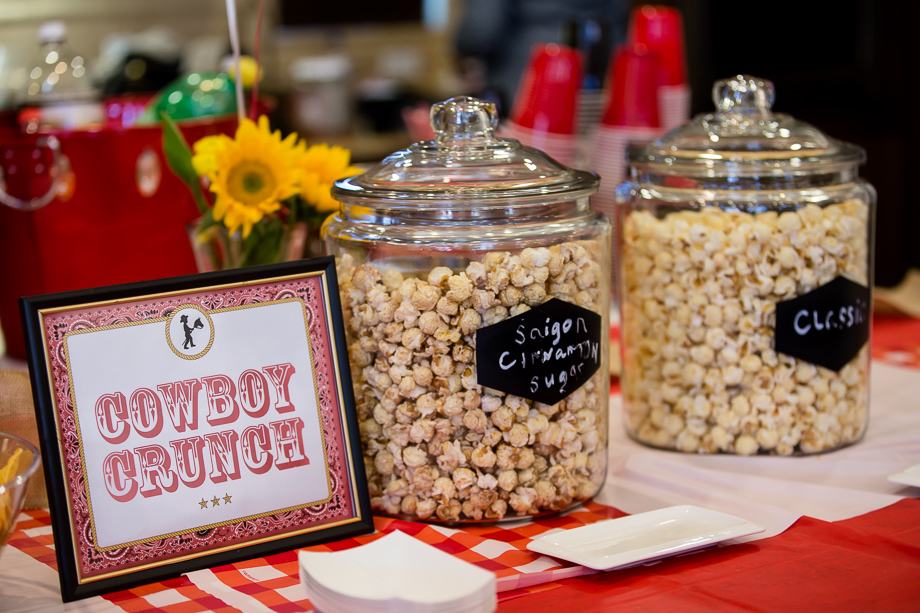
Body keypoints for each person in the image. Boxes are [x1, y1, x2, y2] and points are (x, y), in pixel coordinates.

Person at [454, 0, 629, 115]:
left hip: (523, 86)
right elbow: (620, 19)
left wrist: (467, 55)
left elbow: (479, 31)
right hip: (598, 87)